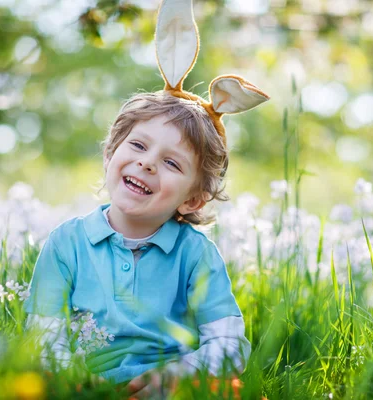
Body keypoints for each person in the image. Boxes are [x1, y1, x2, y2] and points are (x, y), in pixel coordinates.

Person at [24, 0, 269, 397]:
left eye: (171, 163)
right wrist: (78, 379)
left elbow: (229, 345)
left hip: (169, 387)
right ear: (110, 153)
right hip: (85, 385)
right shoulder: (66, 243)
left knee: (233, 388)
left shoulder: (196, 254)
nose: (147, 164)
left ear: (194, 200)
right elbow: (42, 333)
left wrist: (176, 374)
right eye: (137, 145)